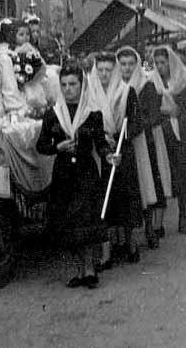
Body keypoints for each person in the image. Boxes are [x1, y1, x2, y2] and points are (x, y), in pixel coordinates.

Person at [37, 61, 119, 289]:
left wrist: (109, 156)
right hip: (63, 174)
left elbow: (101, 145)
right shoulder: (52, 115)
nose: (68, 89)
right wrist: (58, 147)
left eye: (73, 84)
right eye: (63, 84)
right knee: (68, 223)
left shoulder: (92, 114)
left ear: (82, 85)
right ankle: (79, 270)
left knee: (85, 220)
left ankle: (90, 270)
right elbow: (41, 146)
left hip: (85, 173)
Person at [87, 52, 144, 265]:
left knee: (125, 197)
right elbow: (88, 122)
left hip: (123, 151)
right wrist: (103, 145)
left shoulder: (126, 92)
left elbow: (137, 122)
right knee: (104, 200)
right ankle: (106, 251)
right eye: (100, 69)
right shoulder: (90, 93)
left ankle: (130, 243)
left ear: (115, 71)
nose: (104, 74)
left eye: (108, 70)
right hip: (101, 152)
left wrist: (122, 137)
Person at [150, 46, 186, 234]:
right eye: (157, 63)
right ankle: (159, 221)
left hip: (182, 133)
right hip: (160, 132)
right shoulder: (151, 82)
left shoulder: (185, 79)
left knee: (183, 175)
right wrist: (165, 111)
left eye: (163, 63)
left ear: (171, 62)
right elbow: (149, 109)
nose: (160, 67)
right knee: (163, 175)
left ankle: (182, 216)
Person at [115, 47, 164, 250]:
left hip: (143, 140)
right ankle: (125, 237)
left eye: (130, 64)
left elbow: (154, 115)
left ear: (137, 65)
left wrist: (136, 124)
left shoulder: (146, 85)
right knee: (127, 188)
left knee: (147, 183)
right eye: (123, 64)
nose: (127, 68)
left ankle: (150, 230)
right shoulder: (115, 87)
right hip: (121, 143)